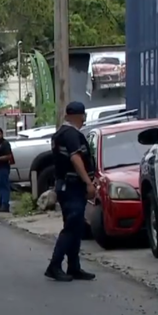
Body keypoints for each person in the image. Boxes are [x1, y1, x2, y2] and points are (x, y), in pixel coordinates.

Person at [45, 102, 97, 282]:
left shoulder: (61, 134)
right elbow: (75, 158)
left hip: (66, 185)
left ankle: (74, 266)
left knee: (75, 227)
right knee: (71, 226)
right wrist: (88, 183)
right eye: (83, 116)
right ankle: (55, 265)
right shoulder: (71, 134)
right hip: (72, 185)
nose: (84, 120)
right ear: (78, 115)